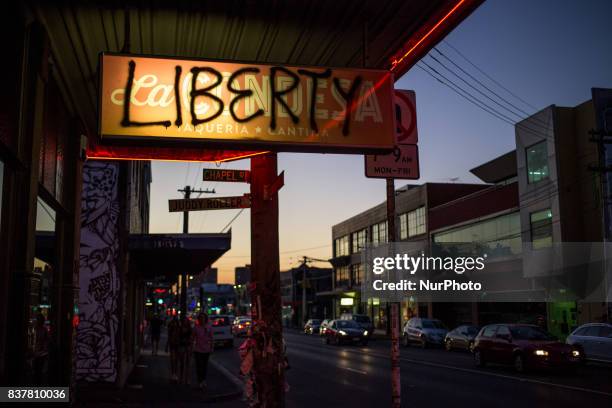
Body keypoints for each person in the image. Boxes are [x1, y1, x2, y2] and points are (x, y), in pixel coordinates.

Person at [192, 313, 214, 390]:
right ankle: (200, 381)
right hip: (198, 349)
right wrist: (192, 347)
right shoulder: (196, 327)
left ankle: (203, 380)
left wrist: (212, 347)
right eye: (201, 318)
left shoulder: (209, 327)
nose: (202, 319)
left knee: (204, 366)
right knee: (199, 366)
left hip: (206, 349)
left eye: (203, 318)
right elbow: (193, 337)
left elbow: (211, 338)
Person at [177, 315, 193, 385]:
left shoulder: (190, 329)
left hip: (188, 346)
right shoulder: (180, 328)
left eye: (186, 321)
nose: (185, 322)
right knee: (182, 363)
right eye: (184, 321)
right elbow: (178, 337)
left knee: (187, 363)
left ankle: (187, 378)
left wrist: (191, 347)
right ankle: (181, 378)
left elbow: (191, 338)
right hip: (182, 345)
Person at [167, 315, 180, 382]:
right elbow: (169, 334)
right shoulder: (173, 325)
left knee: (175, 359)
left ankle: (175, 374)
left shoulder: (178, 326)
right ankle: (173, 374)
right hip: (173, 343)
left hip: (176, 343)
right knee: (173, 359)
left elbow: (169, 334)